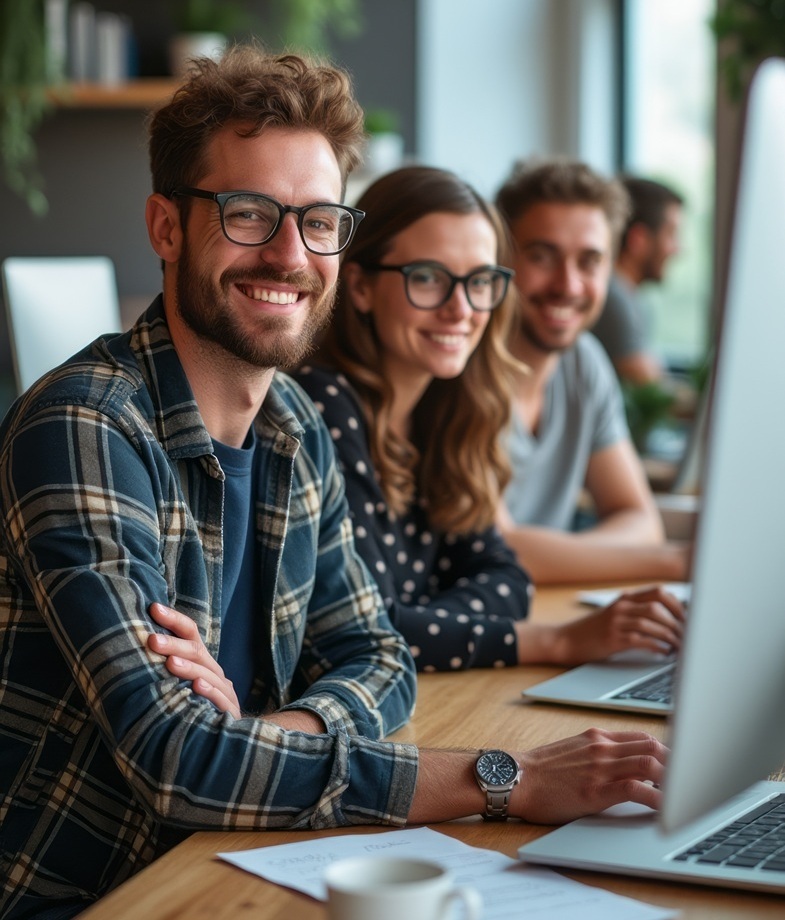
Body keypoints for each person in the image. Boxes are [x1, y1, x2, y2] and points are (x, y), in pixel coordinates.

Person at [0, 48, 669, 920]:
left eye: (318, 221)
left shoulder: (291, 426)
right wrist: (508, 778)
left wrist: (258, 733)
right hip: (96, 895)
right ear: (166, 228)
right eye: (248, 214)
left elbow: (380, 657)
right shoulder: (84, 428)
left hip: (250, 853)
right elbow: (175, 762)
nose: (289, 254)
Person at [291, 164, 682, 672]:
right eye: (428, 278)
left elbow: (507, 577)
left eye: (479, 281)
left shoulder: (443, 410)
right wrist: (558, 642)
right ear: (361, 286)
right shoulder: (321, 404)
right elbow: (364, 633)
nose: (461, 309)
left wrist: (422, 625)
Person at [494, 158, 691, 585]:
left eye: (589, 261)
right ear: (500, 256)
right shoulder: (458, 369)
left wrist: (551, 556)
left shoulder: (584, 360)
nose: (568, 285)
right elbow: (500, 552)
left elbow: (640, 520)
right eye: (543, 256)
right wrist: (676, 563)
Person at [591, 176, 684, 385]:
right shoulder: (614, 298)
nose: (678, 249)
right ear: (638, 240)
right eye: (671, 234)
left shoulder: (628, 297)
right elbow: (651, 386)